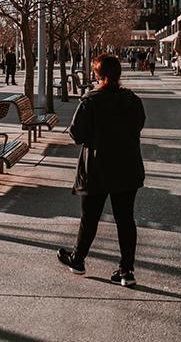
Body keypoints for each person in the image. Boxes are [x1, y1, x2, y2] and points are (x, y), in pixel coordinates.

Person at [57, 54, 145, 287]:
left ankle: (78, 260)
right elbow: (138, 126)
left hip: (97, 168)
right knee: (125, 219)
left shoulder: (91, 101)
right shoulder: (132, 100)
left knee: (90, 217)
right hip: (127, 167)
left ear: (98, 75)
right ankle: (126, 271)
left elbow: (77, 134)